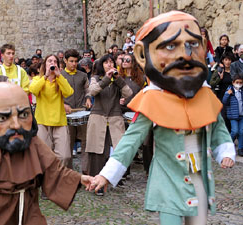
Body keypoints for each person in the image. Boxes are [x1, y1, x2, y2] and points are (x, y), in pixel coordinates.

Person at [90, 11, 236, 225]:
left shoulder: (205, 95)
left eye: (192, 44)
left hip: (199, 180)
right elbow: (131, 140)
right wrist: (106, 175)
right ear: (143, 55)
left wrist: (225, 150)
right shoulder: (153, 98)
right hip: (169, 181)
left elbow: (219, 128)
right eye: (170, 46)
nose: (186, 55)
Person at [0, 82, 93, 225]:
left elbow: (54, 172)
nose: (16, 125)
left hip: (28, 210)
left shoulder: (34, 144)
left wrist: (79, 178)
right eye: (2, 118)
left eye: (23, 115)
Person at [85, 54, 132, 195]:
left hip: (114, 117)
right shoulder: (95, 78)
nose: (109, 64)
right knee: (97, 152)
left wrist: (118, 80)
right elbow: (92, 91)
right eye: (106, 62)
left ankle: (114, 178)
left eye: (111, 62)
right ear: (101, 65)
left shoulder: (118, 79)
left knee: (118, 150)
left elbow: (128, 93)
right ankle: (95, 183)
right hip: (98, 118)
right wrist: (106, 78)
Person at [29, 54, 74, 166]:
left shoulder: (60, 80)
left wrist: (59, 76)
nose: (52, 63)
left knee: (64, 155)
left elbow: (69, 93)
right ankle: (48, 180)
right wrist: (45, 76)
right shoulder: (37, 79)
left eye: (55, 61)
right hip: (42, 121)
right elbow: (33, 90)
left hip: (59, 121)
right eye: (49, 61)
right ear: (45, 64)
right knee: (44, 155)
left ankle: (59, 177)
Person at [62, 49, 92, 173]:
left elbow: (87, 90)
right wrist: (62, 105)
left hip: (81, 112)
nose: (74, 64)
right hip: (66, 114)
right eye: (71, 61)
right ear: (65, 61)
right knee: (67, 145)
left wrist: (88, 98)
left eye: (75, 61)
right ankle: (68, 173)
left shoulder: (83, 75)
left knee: (86, 143)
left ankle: (86, 171)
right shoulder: (60, 76)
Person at [222, 74, 243, 156]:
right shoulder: (230, 90)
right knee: (235, 131)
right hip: (233, 116)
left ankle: (240, 148)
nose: (239, 84)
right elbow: (224, 102)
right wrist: (227, 94)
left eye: (241, 82)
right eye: (237, 82)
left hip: (241, 115)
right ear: (233, 82)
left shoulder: (242, 91)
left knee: (242, 132)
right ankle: (228, 145)